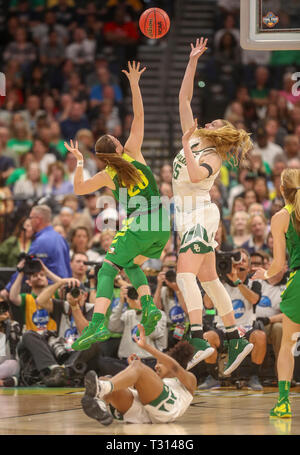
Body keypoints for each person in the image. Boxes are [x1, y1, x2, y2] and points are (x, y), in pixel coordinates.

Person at [64, 61, 170, 350]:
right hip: (161, 224)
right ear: (117, 147)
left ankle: (97, 324)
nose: (119, 136)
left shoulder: (105, 175)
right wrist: (134, 83)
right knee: (131, 264)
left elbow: (78, 188)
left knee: (106, 270)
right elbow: (138, 115)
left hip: (140, 224)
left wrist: (80, 162)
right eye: (115, 137)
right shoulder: (134, 152)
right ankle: (148, 306)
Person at [173, 37, 253, 373]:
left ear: (218, 136)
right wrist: (192, 61)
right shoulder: (194, 135)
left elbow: (193, 172)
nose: (207, 122)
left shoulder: (213, 156)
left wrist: (185, 147)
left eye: (213, 125)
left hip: (201, 214)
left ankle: (197, 338)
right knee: (208, 280)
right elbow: (184, 97)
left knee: (183, 275)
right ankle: (235, 336)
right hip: (188, 216)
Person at [81, 324, 197, 426]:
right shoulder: (159, 383)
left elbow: (175, 367)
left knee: (134, 368)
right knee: (106, 379)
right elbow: (137, 390)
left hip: (167, 408)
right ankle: (101, 405)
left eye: (160, 363)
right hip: (146, 414)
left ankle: (101, 389)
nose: (156, 366)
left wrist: (146, 348)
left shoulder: (189, 379)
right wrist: (134, 372)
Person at [253, 168, 300, 418]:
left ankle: (283, 403)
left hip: (298, 282)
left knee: (288, 346)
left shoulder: (281, 217)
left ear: (282, 190)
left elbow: (278, 265)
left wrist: (264, 274)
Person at [5, 205, 72, 295]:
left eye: (31, 218)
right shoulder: (60, 238)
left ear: (38, 220)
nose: (30, 220)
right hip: (63, 289)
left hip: (49, 292)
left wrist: (8, 289)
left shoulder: (41, 241)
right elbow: (68, 267)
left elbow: (26, 267)